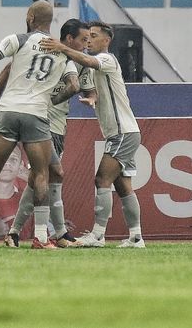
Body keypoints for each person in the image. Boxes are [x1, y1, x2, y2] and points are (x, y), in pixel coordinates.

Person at [0, 0, 80, 249]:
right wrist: (52, 100)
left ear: (30, 17)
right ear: (50, 22)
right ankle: (40, 237)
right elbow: (74, 85)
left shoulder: (20, 39)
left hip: (8, 110)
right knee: (40, 174)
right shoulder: (61, 50)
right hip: (36, 114)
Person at [0, 18, 95, 248]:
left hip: (53, 125)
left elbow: (86, 86)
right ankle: (51, 233)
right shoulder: (53, 53)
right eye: (83, 40)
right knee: (46, 177)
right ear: (69, 38)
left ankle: (22, 233)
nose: (86, 44)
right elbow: (8, 69)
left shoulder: (71, 59)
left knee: (48, 177)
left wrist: (92, 97)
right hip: (42, 124)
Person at [41, 21, 145, 249]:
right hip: (124, 133)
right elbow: (93, 85)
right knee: (123, 185)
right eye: (87, 36)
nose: (89, 40)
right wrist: (93, 97)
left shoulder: (107, 59)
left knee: (102, 179)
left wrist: (62, 47)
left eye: (94, 36)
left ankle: (98, 235)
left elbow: (87, 60)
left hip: (122, 133)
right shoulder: (95, 67)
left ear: (106, 41)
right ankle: (136, 237)